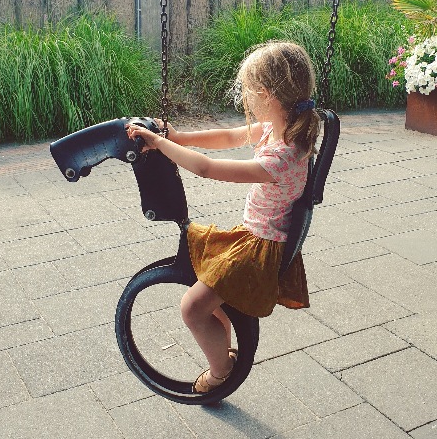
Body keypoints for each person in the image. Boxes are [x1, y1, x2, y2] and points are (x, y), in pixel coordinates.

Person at [126, 41, 319, 395]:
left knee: (192, 309)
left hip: (261, 251)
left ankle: (220, 371)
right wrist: (176, 136)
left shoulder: (284, 155)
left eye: (247, 89)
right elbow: (227, 136)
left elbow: (208, 168)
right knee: (205, 285)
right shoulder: (280, 128)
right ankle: (223, 349)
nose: (245, 97)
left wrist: (158, 142)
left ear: (265, 94)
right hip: (254, 236)